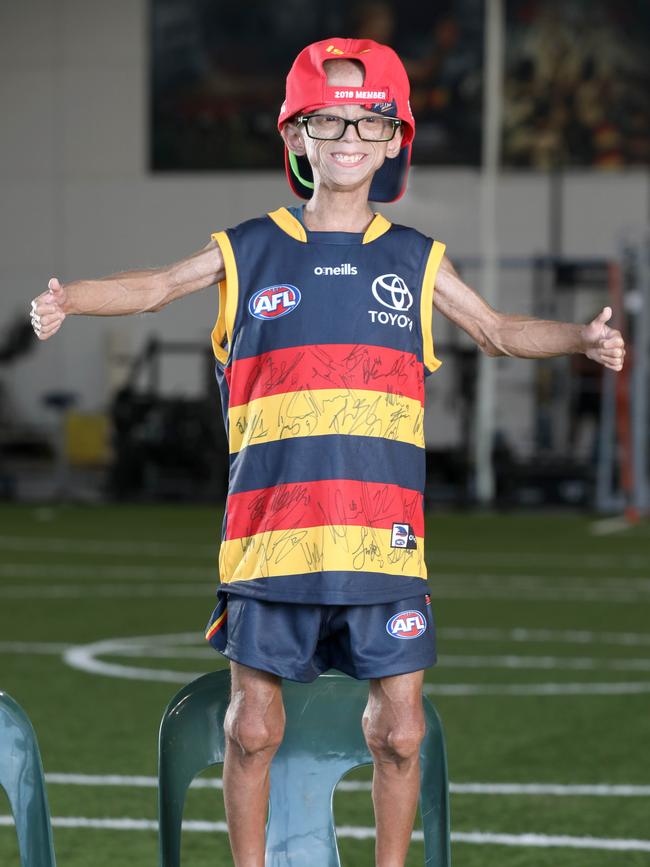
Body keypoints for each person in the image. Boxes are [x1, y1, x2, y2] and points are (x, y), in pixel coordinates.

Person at [30, 37, 625, 867]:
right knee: (253, 728)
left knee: (403, 731)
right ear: (297, 138)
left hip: (384, 544)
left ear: (394, 140)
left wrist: (578, 339)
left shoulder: (416, 260)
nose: (348, 136)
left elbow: (494, 329)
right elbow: (160, 285)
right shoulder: (249, 248)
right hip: (271, 539)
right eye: (328, 121)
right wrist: (74, 299)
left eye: (368, 121)